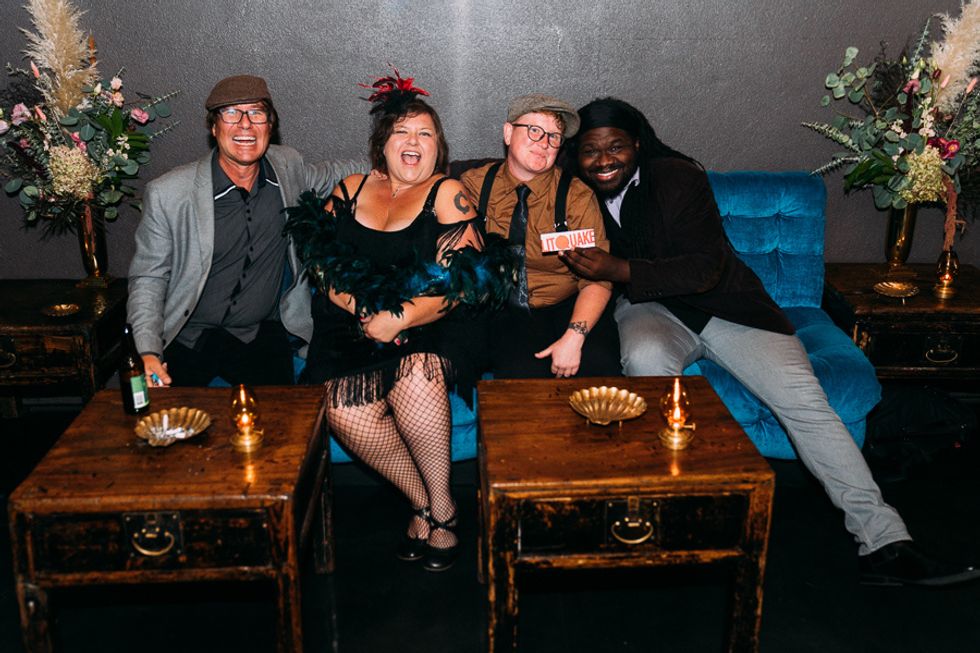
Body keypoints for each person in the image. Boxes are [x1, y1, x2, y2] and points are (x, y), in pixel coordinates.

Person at [559, 96, 980, 587]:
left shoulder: (676, 177)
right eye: (590, 150)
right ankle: (669, 521)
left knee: (806, 402)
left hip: (726, 305)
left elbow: (705, 267)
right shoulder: (571, 191)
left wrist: (619, 268)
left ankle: (885, 542)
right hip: (650, 308)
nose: (604, 160)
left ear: (636, 143)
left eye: (615, 147)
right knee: (645, 362)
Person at [286, 70, 510, 572]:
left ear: (438, 148)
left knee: (416, 377)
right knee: (343, 410)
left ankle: (444, 510)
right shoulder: (349, 189)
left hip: (433, 322)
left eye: (425, 133)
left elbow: (466, 282)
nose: (413, 141)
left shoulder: (446, 192)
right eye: (402, 132)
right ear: (382, 144)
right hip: (350, 325)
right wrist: (363, 310)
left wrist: (400, 316)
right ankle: (423, 503)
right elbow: (321, 262)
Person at [128, 75, 333, 387]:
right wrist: (147, 351)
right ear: (214, 127)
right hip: (189, 336)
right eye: (231, 113)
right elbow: (148, 278)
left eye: (256, 113)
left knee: (278, 417)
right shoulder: (169, 194)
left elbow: (334, 174)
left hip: (261, 335)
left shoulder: (288, 168)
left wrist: (395, 165)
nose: (245, 124)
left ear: (270, 126)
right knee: (180, 418)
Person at [459, 94, 621, 379]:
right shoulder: (473, 186)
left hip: (568, 303)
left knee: (598, 367)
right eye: (534, 131)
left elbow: (597, 277)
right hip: (503, 310)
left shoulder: (576, 196)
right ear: (508, 133)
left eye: (554, 137)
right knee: (520, 378)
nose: (544, 143)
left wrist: (574, 336)